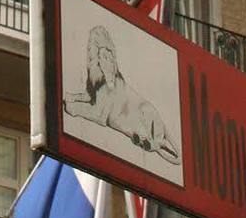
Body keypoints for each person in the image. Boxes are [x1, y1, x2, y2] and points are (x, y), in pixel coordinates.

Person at [64, 24, 180, 161]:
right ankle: (151, 141)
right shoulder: (98, 80)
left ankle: (155, 143)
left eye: (110, 57)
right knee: (136, 128)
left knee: (147, 111)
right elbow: (90, 96)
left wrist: (75, 108)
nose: (109, 61)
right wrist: (72, 97)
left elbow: (100, 116)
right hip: (129, 122)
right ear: (98, 61)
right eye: (104, 57)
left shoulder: (116, 82)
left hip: (141, 117)